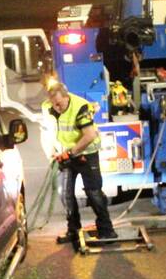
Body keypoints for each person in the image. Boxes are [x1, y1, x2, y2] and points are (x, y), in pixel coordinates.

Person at [43, 80, 117, 247]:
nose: (57, 108)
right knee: (65, 194)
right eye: (54, 104)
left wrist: (70, 153)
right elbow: (48, 131)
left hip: (86, 154)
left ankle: (107, 230)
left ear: (67, 97)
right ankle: (73, 229)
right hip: (66, 156)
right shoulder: (47, 107)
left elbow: (89, 135)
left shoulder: (80, 107)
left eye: (60, 104)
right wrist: (52, 152)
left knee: (94, 193)